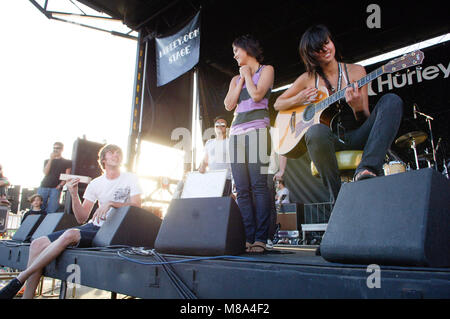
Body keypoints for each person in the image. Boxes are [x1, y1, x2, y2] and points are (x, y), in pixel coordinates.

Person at [274, 24, 403, 203]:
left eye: (327, 42)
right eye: (318, 49)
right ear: (311, 55)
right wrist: (298, 99)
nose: (325, 49)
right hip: (330, 140)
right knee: (315, 131)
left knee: (391, 101)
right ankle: (337, 197)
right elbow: (278, 103)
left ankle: (366, 169)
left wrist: (357, 107)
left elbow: (364, 118)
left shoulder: (357, 71)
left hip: (357, 134)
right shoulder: (307, 79)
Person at [0, 144, 142, 299]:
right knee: (37, 244)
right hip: (96, 226)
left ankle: (20, 278)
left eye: (118, 153)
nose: (116, 155)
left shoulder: (130, 178)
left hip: (115, 228)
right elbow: (82, 218)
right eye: (111, 152)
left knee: (70, 233)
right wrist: (74, 194)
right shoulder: (96, 183)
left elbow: (137, 205)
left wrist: (111, 203)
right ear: (103, 159)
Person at [224, 34, 275, 254]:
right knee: (242, 189)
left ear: (247, 49)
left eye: (237, 50)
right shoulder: (235, 79)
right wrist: (241, 80)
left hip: (258, 132)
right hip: (236, 134)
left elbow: (256, 96)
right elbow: (228, 105)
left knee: (259, 186)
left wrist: (248, 75)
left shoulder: (267, 70)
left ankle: (261, 238)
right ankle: (248, 237)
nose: (234, 55)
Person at [198, 115, 233, 196]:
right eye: (217, 125)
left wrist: (234, 186)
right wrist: (202, 166)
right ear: (214, 127)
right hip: (212, 179)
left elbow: (235, 164)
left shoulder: (230, 142)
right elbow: (205, 160)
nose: (220, 127)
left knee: (223, 205)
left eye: (223, 125)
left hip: (226, 179)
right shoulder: (209, 142)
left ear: (226, 128)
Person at [37, 142, 72, 213]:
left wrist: (60, 186)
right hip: (44, 186)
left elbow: (67, 176)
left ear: (62, 149)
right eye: (54, 148)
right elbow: (45, 172)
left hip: (55, 188)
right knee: (39, 208)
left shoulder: (67, 162)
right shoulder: (47, 160)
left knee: (52, 210)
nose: (55, 150)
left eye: (57, 148)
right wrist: (51, 159)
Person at [267, 148, 287, 247]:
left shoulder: (274, 132)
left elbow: (282, 148)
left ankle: (268, 237)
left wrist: (281, 170)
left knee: (270, 205)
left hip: (269, 171)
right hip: (254, 171)